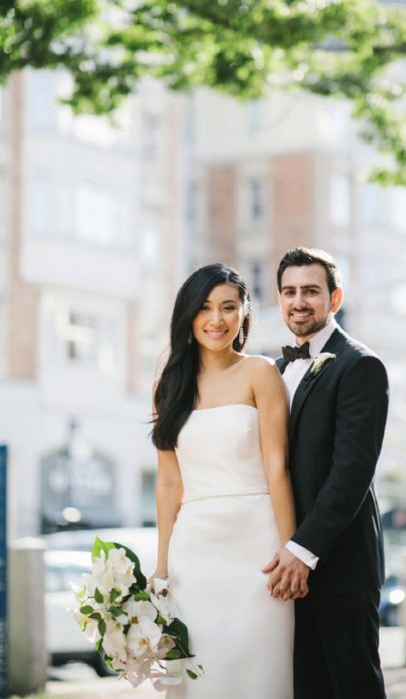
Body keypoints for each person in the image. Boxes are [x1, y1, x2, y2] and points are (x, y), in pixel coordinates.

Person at [151, 263, 297, 698]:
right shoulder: (167, 386)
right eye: (205, 308)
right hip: (193, 555)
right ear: (188, 315)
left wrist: (291, 552)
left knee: (262, 673)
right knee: (200, 675)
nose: (216, 320)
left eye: (228, 307)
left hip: (258, 550)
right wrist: (162, 566)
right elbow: (168, 484)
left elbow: (278, 468)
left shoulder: (261, 372)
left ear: (244, 313)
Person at [263, 246, 389, 699]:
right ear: (279, 300)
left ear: (334, 300)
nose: (299, 301)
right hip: (285, 571)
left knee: (352, 688)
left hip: (341, 566)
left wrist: (304, 550)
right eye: (290, 291)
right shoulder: (274, 371)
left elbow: (351, 471)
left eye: (311, 291)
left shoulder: (361, 365)